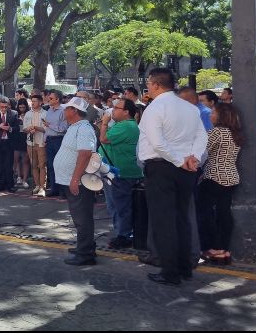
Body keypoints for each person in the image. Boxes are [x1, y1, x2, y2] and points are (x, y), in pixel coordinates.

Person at [139, 68, 207, 286]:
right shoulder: (190, 108)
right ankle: (185, 267)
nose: (147, 86)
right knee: (182, 218)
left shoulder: (155, 108)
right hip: (186, 169)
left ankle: (170, 271)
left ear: (156, 84)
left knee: (164, 221)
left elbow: (158, 144)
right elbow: (201, 137)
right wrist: (193, 159)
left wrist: (181, 160)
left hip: (163, 168)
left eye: (149, 83)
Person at [54, 97, 98, 266]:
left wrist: (75, 178)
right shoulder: (75, 127)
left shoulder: (84, 128)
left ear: (74, 111)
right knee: (78, 216)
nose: (64, 111)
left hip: (77, 180)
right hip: (69, 179)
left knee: (82, 217)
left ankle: (85, 253)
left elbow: (85, 154)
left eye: (67, 108)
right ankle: (85, 246)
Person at [197, 103, 243, 265]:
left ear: (221, 115)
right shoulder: (234, 133)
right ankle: (224, 249)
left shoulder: (217, 132)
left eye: (214, 112)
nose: (210, 114)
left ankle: (214, 249)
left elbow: (202, 150)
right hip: (231, 177)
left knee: (205, 213)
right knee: (224, 213)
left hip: (214, 177)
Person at [99, 98, 143, 249]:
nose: (112, 110)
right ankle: (122, 232)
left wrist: (104, 122)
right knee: (115, 205)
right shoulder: (121, 125)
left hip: (121, 172)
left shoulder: (126, 126)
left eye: (117, 108)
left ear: (126, 112)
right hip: (114, 171)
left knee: (120, 206)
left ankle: (124, 235)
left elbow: (104, 138)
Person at [44, 90, 68, 197]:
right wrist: (45, 138)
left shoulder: (63, 111)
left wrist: (50, 126)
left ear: (57, 99)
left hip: (59, 140)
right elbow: (46, 127)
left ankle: (63, 191)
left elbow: (63, 128)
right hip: (49, 140)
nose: (49, 100)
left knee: (60, 165)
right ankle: (54, 189)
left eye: (51, 98)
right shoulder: (49, 110)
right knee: (51, 165)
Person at [23, 95, 47, 196]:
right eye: (32, 101)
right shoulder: (28, 114)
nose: (33, 103)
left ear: (41, 102)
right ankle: (37, 185)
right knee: (34, 165)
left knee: (42, 165)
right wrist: (29, 129)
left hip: (41, 142)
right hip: (30, 143)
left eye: (35, 101)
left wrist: (36, 127)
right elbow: (24, 129)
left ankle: (42, 187)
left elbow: (46, 129)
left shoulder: (46, 114)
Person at [13, 99, 31, 189]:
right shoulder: (15, 114)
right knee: (16, 159)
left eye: (24, 107)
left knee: (25, 160)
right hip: (17, 138)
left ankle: (25, 179)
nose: (22, 109)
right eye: (20, 107)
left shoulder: (29, 114)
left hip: (26, 137)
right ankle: (19, 177)